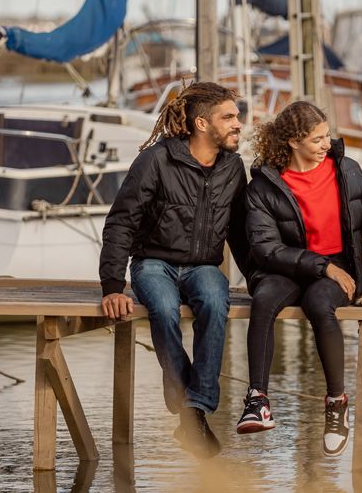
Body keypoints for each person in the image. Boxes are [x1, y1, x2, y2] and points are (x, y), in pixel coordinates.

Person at [98, 82, 249, 459]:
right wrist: (113, 285)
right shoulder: (156, 160)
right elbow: (121, 222)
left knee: (216, 302)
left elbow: (241, 233)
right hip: (154, 263)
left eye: (237, 116)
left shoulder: (233, 167)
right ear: (202, 123)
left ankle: (195, 407)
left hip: (203, 267)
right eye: (228, 117)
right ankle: (188, 409)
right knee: (163, 309)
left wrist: (259, 281)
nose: (238, 124)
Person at [236, 100, 362, 457]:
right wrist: (321, 266)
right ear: (293, 142)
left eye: (327, 136)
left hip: (341, 269)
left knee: (318, 303)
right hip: (285, 268)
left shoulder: (348, 171)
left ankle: (336, 403)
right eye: (317, 139)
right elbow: (266, 249)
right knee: (264, 299)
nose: (326, 144)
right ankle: (258, 400)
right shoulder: (264, 187)